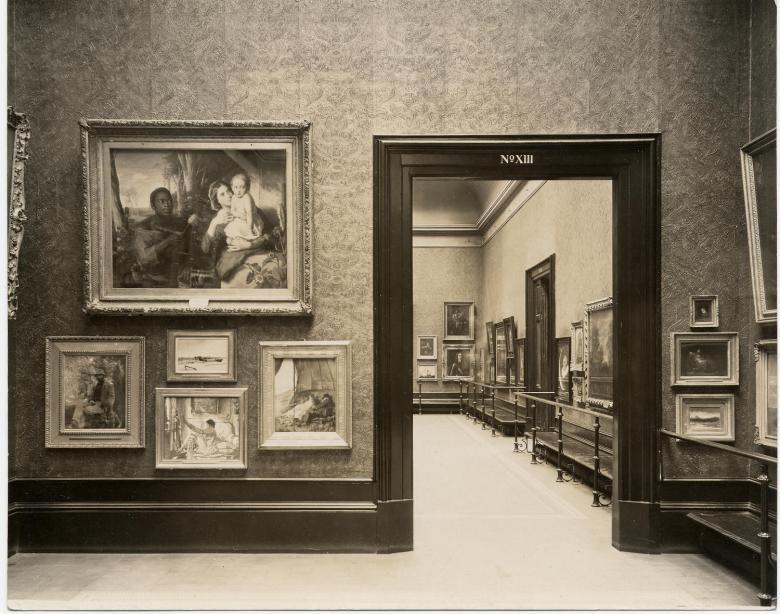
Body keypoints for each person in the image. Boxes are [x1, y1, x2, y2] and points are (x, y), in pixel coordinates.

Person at [201, 180, 285, 288]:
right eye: (222, 194)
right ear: (217, 201)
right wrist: (213, 224)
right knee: (260, 279)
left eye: (229, 191)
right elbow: (205, 249)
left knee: (280, 269)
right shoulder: (218, 220)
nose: (228, 195)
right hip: (234, 260)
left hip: (259, 250)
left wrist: (252, 244)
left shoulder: (251, 208)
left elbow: (270, 232)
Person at [132, 188, 198, 287]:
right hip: (156, 280)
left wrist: (188, 265)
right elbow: (145, 258)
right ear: (153, 206)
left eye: (169, 201)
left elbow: (191, 249)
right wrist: (168, 241)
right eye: (162, 201)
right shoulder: (144, 227)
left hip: (181, 277)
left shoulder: (181, 223)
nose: (167, 204)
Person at [221, 172, 261, 246]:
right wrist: (239, 215)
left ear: (247, 188)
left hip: (251, 220)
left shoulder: (246, 197)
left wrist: (250, 229)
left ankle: (246, 241)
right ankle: (237, 241)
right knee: (230, 235)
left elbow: (249, 214)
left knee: (245, 233)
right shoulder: (234, 197)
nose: (239, 190)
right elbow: (232, 210)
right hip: (240, 219)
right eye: (236, 187)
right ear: (232, 188)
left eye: (242, 187)